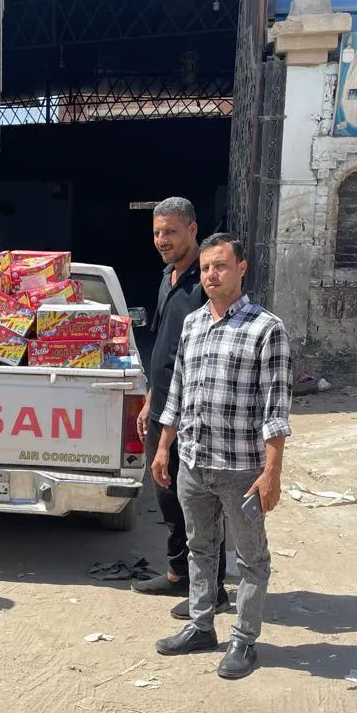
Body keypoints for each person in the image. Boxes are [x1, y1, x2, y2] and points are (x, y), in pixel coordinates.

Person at [151, 233, 292, 679]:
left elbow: (276, 410)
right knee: (199, 547)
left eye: (221, 266)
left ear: (241, 269)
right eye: (207, 268)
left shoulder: (266, 328)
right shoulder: (193, 324)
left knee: (251, 559)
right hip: (194, 461)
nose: (211, 275)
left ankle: (244, 640)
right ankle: (200, 626)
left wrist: (272, 472)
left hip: (241, 469)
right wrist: (164, 447)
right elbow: (177, 392)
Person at [132, 197, 227, 618]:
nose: (161, 240)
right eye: (156, 232)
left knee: (199, 501)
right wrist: (151, 399)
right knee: (166, 494)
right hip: (162, 406)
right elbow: (164, 348)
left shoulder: (205, 284)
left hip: (193, 412)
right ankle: (178, 574)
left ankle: (214, 589)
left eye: (170, 231)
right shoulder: (167, 278)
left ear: (192, 229)